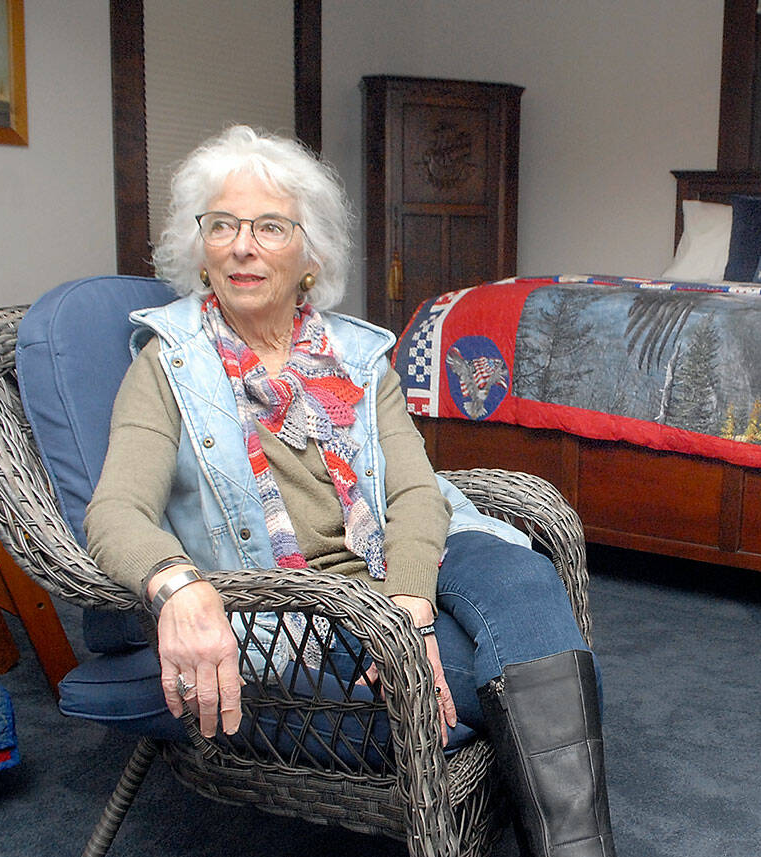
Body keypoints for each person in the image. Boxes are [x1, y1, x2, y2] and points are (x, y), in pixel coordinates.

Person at [84, 125, 616, 857]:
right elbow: (115, 511)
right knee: (518, 665)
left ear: (310, 255)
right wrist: (177, 583)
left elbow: (416, 493)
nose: (243, 246)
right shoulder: (167, 365)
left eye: (271, 226)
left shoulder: (358, 357)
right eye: (223, 225)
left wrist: (408, 608)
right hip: (309, 611)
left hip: (404, 566)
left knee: (522, 579)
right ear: (198, 245)